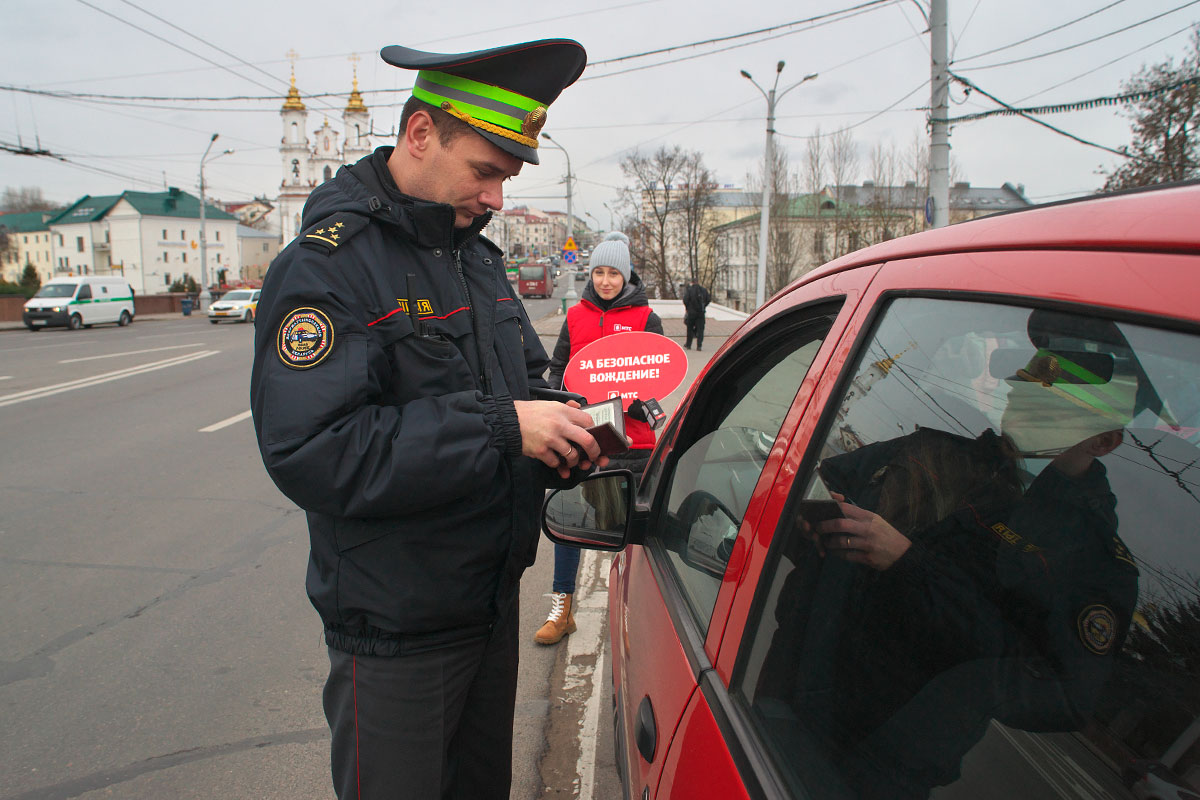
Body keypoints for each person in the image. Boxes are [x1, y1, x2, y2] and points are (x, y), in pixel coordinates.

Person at [249, 39, 601, 800]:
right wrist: (505, 428)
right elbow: (315, 449)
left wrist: (582, 425)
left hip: (487, 607)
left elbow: (526, 388)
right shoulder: (328, 266)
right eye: (486, 172)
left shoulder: (473, 256)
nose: (498, 199)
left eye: (507, 178)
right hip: (397, 636)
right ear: (419, 135)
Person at [799, 311, 1143, 798]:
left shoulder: (1092, 558)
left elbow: (1059, 696)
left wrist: (909, 565)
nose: (1022, 392)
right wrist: (815, 523)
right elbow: (821, 484)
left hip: (889, 754)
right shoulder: (937, 452)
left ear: (1103, 439)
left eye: (1053, 392)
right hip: (804, 691)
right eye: (1028, 378)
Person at [534, 233, 664, 644]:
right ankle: (563, 608)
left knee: (634, 533)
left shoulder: (646, 318)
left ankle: (636, 614)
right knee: (569, 519)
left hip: (636, 444)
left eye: (614, 273)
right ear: (591, 274)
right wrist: (558, 407)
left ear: (625, 276)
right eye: (599, 272)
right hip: (584, 435)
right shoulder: (576, 317)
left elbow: (658, 374)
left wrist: (648, 404)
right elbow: (558, 370)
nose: (606, 281)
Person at [682, 278, 710, 350]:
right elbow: (708, 299)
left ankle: (688, 344)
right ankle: (699, 345)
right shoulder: (703, 290)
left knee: (690, 329)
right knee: (700, 329)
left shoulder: (689, 290)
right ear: (698, 282)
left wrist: (688, 308)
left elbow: (685, 300)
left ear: (692, 282)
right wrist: (703, 307)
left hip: (691, 313)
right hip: (701, 313)